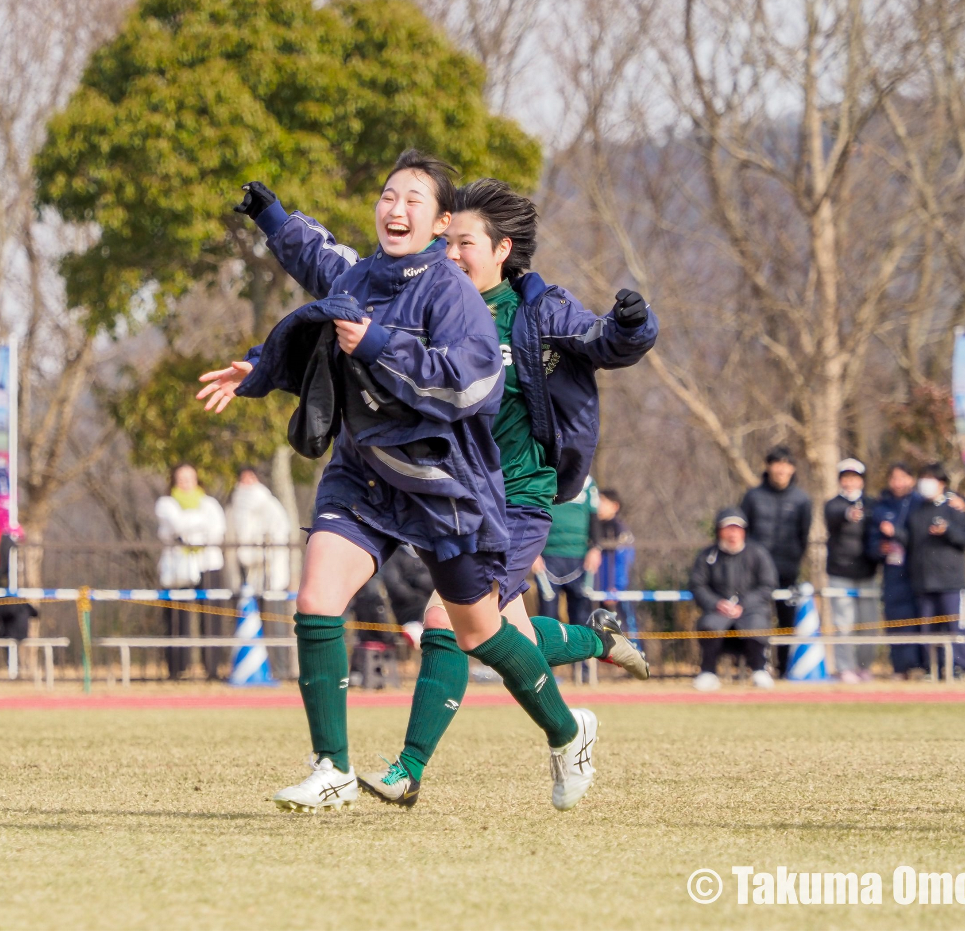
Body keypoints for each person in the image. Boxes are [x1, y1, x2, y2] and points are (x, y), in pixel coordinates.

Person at [200, 153, 604, 812]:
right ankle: (331, 767)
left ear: (442, 222)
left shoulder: (452, 292)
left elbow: (473, 385)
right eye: (390, 194)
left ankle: (568, 730)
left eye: (414, 199)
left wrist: (381, 343)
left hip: (442, 487)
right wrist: (270, 219)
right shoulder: (361, 275)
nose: (395, 208)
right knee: (315, 597)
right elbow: (316, 260)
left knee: (477, 633)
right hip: (363, 476)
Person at [351, 177, 655, 807]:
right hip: (456, 499)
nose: (451, 251)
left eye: (464, 241)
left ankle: (416, 770)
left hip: (519, 497)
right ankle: (598, 639)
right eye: (448, 239)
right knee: (498, 627)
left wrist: (633, 323)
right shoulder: (433, 303)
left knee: (447, 618)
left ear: (502, 250)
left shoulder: (537, 311)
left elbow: (603, 341)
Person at [741, 445, 813, 674]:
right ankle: (757, 667)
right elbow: (745, 531)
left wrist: (794, 560)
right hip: (755, 572)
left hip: (787, 569)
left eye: (786, 464)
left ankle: (784, 668)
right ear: (768, 466)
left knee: (786, 621)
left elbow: (804, 536)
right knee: (755, 618)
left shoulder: (802, 499)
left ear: (792, 468)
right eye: (776, 463)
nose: (781, 469)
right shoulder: (753, 497)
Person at [898, 463, 965, 676]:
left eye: (930, 479)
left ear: (941, 483)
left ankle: (959, 667)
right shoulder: (915, 510)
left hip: (951, 580)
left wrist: (948, 531)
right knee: (927, 628)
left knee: (955, 627)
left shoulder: (954, 507)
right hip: (923, 580)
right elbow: (908, 539)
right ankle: (932, 667)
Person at [689, 507, 777, 691]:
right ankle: (708, 671)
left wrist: (743, 604)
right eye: (728, 528)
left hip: (751, 610)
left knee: (756, 625)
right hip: (718, 611)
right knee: (710, 625)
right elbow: (698, 585)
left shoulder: (757, 554)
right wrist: (717, 603)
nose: (732, 533)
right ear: (719, 531)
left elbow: (767, 585)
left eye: (737, 528)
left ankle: (760, 670)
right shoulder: (707, 556)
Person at [155, 463, 227, 679]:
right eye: (181, 478)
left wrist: (188, 526)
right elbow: (177, 525)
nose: (186, 482)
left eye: (190, 477)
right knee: (177, 618)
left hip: (208, 564)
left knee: (212, 617)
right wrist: (199, 524)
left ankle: (212, 669)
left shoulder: (210, 503)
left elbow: (217, 529)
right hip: (178, 567)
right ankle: (177, 669)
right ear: (174, 481)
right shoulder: (165, 503)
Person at [823, 458, 879, 682]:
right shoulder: (833, 504)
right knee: (843, 623)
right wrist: (849, 514)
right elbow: (835, 515)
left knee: (869, 623)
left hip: (867, 572)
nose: (850, 482)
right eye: (845, 477)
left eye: (854, 477)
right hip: (840, 573)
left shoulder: (872, 505)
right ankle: (845, 667)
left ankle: (864, 667)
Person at [869, 463, 925, 677]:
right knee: (896, 619)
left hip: (918, 570)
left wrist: (896, 533)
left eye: (903, 477)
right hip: (892, 571)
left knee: (919, 618)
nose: (898, 483)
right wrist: (879, 549)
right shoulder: (881, 507)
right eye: (894, 478)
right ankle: (900, 666)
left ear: (912, 480)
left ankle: (920, 665)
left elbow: (919, 538)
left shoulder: (920, 504)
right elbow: (871, 539)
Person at [533, 475, 601, 628]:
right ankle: (549, 651)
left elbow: (594, 518)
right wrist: (533, 553)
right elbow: (531, 514)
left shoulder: (588, 482)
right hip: (548, 557)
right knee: (547, 614)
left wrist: (596, 549)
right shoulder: (542, 477)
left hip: (580, 558)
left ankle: (581, 651)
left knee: (582, 613)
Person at [228, 466, 291, 592]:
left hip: (267, 563)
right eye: (243, 478)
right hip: (242, 564)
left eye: (251, 478)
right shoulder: (233, 506)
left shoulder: (269, 503)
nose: (247, 482)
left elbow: (281, 528)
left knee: (270, 598)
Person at [595, 488, 638, 638]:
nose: (598, 505)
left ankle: (638, 655)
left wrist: (617, 587)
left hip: (617, 590)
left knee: (625, 626)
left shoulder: (620, 530)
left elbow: (624, 561)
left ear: (615, 506)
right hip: (597, 588)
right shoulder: (595, 528)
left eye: (603, 502)